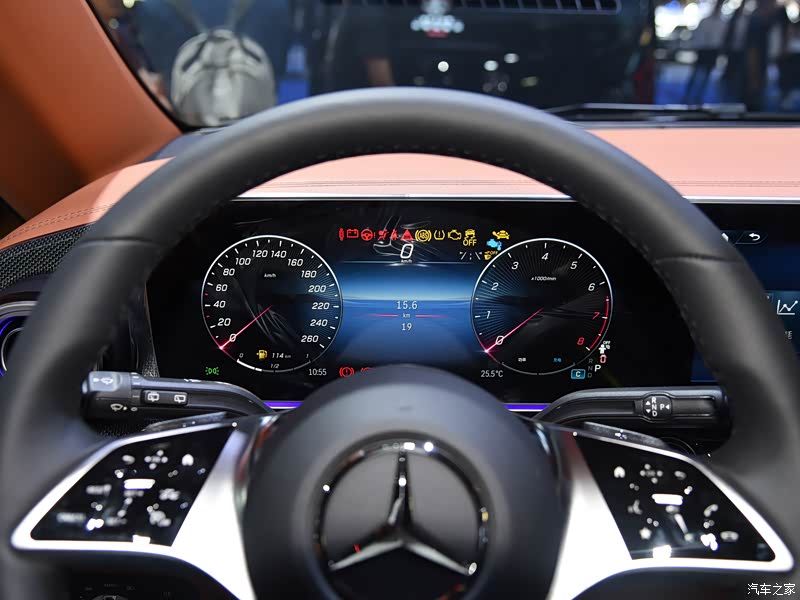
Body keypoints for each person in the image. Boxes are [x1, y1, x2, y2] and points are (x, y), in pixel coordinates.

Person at [131, 0, 291, 125]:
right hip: (258, 132)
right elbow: (279, 67)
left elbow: (155, 74)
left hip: (186, 140)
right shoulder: (275, 4)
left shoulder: (152, 7)